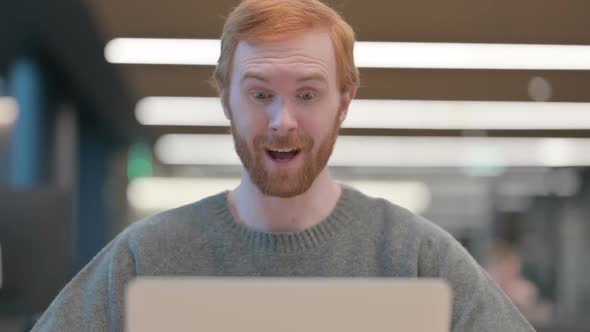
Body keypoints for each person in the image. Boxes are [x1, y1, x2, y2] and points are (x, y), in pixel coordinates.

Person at [32, 0, 535, 331]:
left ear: (344, 102)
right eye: (260, 94)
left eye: (308, 94)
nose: (283, 120)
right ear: (226, 98)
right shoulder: (144, 258)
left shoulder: (418, 257)